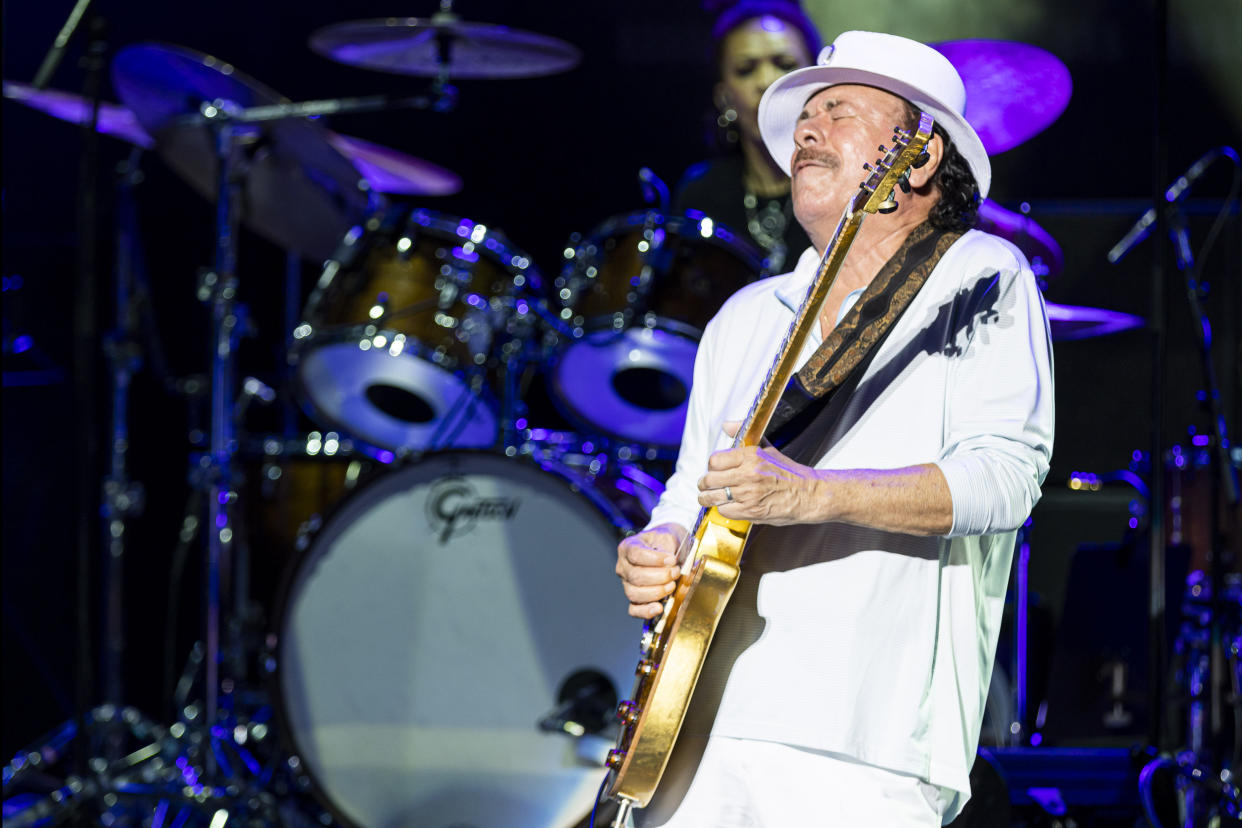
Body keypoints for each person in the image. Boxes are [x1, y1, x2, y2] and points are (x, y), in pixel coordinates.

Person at [614, 30, 1055, 827]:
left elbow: (1005, 478)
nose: (805, 131)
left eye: (838, 111)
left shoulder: (980, 274)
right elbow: (688, 493)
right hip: (698, 728)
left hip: (866, 738)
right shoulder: (745, 316)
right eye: (805, 117)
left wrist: (808, 495)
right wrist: (660, 546)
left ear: (915, 160)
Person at [672, 1, 821, 272]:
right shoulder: (701, 194)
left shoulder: (846, 187)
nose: (766, 81)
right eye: (746, 69)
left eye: (785, 64)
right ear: (724, 97)